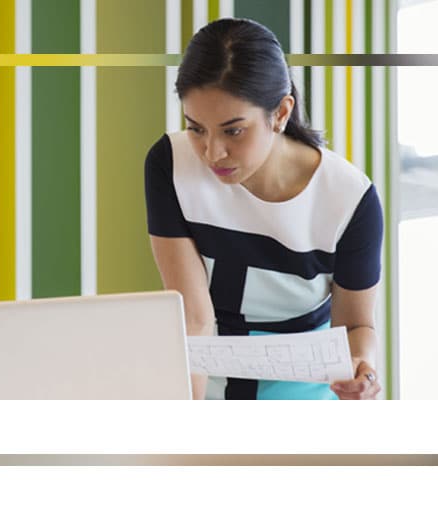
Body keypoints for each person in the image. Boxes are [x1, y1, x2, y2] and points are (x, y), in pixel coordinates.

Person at [145, 18, 384, 400]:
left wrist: (362, 369)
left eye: (233, 130)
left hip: (304, 396)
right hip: (203, 382)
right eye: (196, 128)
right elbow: (193, 318)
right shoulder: (170, 165)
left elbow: (355, 325)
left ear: (281, 113)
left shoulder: (349, 199)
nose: (212, 152)